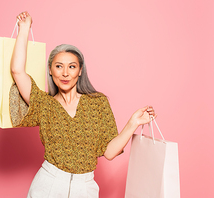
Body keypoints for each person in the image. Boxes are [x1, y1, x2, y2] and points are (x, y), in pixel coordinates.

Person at [9, 11, 157, 198]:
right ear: (50, 70)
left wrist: (133, 123)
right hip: (48, 184)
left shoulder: (97, 103)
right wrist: (24, 28)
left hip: (85, 187)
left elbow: (110, 152)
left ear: (80, 71)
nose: (65, 73)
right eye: (58, 66)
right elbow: (17, 71)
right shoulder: (44, 104)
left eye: (71, 66)